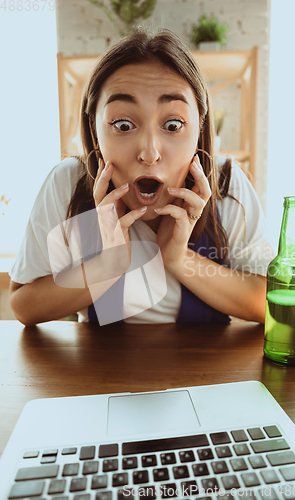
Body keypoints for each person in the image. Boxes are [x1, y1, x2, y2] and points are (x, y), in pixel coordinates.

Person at [9, 28, 274, 326]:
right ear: (93, 126)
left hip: (205, 371)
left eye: (173, 125)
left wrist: (179, 259)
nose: (149, 153)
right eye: (123, 125)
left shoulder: (227, 181)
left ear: (199, 126)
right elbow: (24, 306)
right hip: (102, 370)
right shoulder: (68, 182)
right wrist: (108, 264)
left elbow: (268, 304)